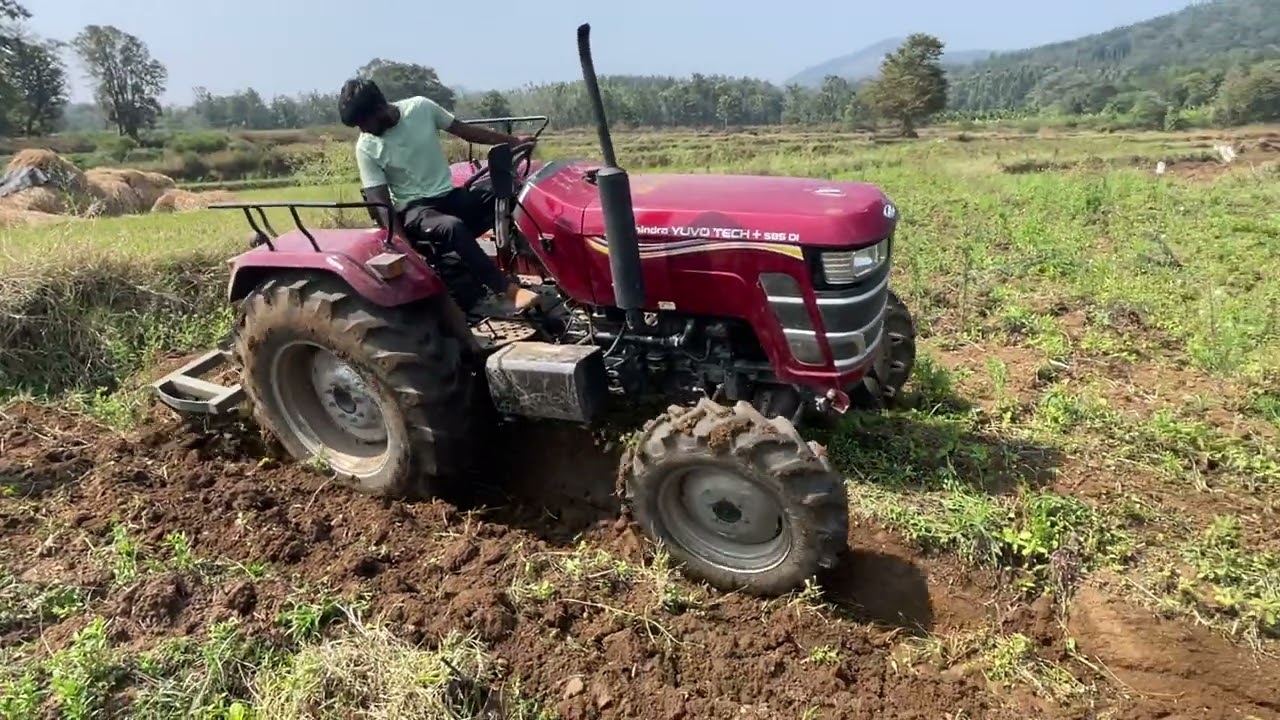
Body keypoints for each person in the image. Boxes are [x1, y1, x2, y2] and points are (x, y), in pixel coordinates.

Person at [337, 77, 540, 312]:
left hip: (449, 196)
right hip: (415, 210)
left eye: (364, 122)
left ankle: (536, 263)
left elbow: (465, 131)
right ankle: (505, 290)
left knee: (510, 195)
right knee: (452, 227)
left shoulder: (421, 108)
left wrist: (512, 141)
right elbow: (380, 202)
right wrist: (406, 249)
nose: (363, 130)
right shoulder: (366, 147)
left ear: (379, 108)